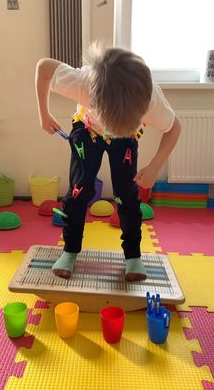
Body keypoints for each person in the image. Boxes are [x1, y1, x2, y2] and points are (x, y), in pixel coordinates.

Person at [35, 43, 181, 281]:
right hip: (88, 128)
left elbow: (174, 128)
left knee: (127, 192)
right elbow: (44, 68)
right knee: (80, 188)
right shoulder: (84, 83)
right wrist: (44, 114)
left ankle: (133, 256)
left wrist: (155, 166)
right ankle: (70, 250)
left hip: (127, 137)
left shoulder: (150, 100)